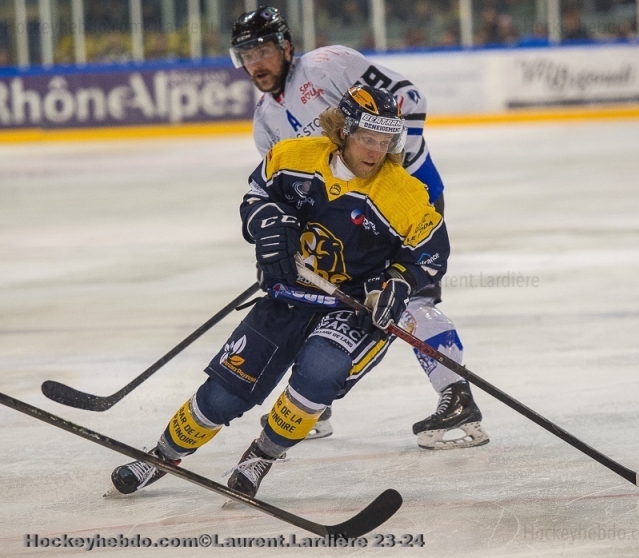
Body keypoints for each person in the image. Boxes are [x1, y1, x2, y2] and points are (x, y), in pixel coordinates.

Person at [110, 85, 451, 497]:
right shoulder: (292, 158)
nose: (376, 151)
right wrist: (267, 221)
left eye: (385, 142)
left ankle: (262, 456)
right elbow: (256, 197)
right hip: (289, 294)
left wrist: (399, 280)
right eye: (367, 138)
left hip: (353, 309)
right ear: (343, 130)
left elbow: (430, 253)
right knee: (222, 396)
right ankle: (161, 456)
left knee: (319, 374)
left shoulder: (404, 194)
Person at [228, 6, 489, 450]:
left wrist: (395, 174)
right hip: (344, 225)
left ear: (286, 46)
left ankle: (456, 395)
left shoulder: (327, 64)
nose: (256, 63)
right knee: (322, 300)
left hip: (402, 204)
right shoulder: (265, 122)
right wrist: (281, 238)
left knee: (408, 296)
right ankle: (315, 407)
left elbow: (408, 95)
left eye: (263, 51)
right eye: (247, 55)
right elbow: (290, 191)